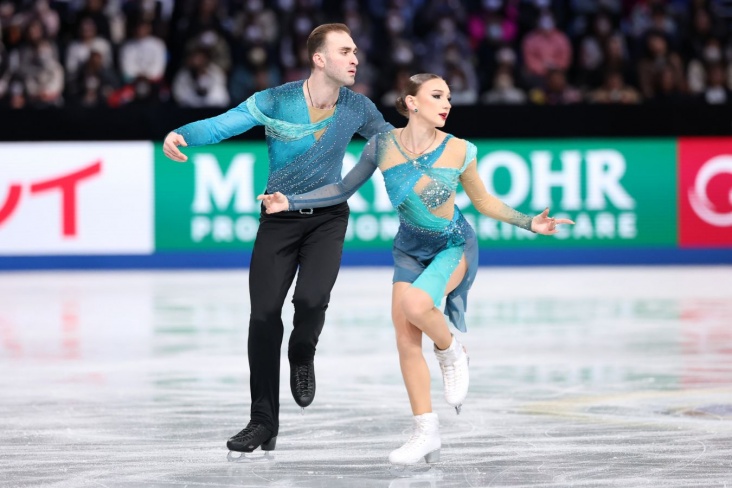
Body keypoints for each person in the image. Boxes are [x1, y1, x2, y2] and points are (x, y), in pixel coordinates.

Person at [258, 74, 574, 465]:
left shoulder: (459, 149)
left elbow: (484, 202)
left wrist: (530, 222)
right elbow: (341, 189)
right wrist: (290, 202)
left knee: (416, 305)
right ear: (411, 102)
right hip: (408, 250)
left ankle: (451, 350)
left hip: (452, 246)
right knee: (406, 338)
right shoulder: (382, 146)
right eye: (437, 95)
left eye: (449, 97)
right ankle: (426, 431)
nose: (447, 104)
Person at [162, 23, 393, 458]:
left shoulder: (357, 107)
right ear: (319, 59)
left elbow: (389, 140)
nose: (355, 59)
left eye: (355, 51)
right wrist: (182, 133)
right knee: (264, 316)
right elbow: (223, 124)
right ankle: (263, 420)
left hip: (328, 220)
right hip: (278, 218)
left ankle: (302, 352)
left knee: (310, 300)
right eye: (345, 51)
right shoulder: (276, 100)